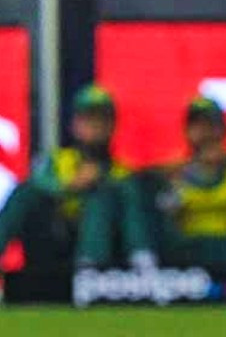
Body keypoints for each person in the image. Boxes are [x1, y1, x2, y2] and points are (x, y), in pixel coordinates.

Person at [0, 84, 154, 270]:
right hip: (54, 240)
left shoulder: (122, 172)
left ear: (112, 125)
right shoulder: (57, 161)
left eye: (102, 119)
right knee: (23, 193)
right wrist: (70, 186)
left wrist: (99, 181)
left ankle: (118, 268)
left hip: (105, 250)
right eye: (88, 119)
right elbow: (35, 186)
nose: (95, 126)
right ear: (75, 124)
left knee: (102, 197)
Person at [141, 96, 226, 269]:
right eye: (198, 126)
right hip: (187, 262)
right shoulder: (169, 176)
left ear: (224, 129)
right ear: (187, 131)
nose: (206, 133)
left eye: (211, 125)